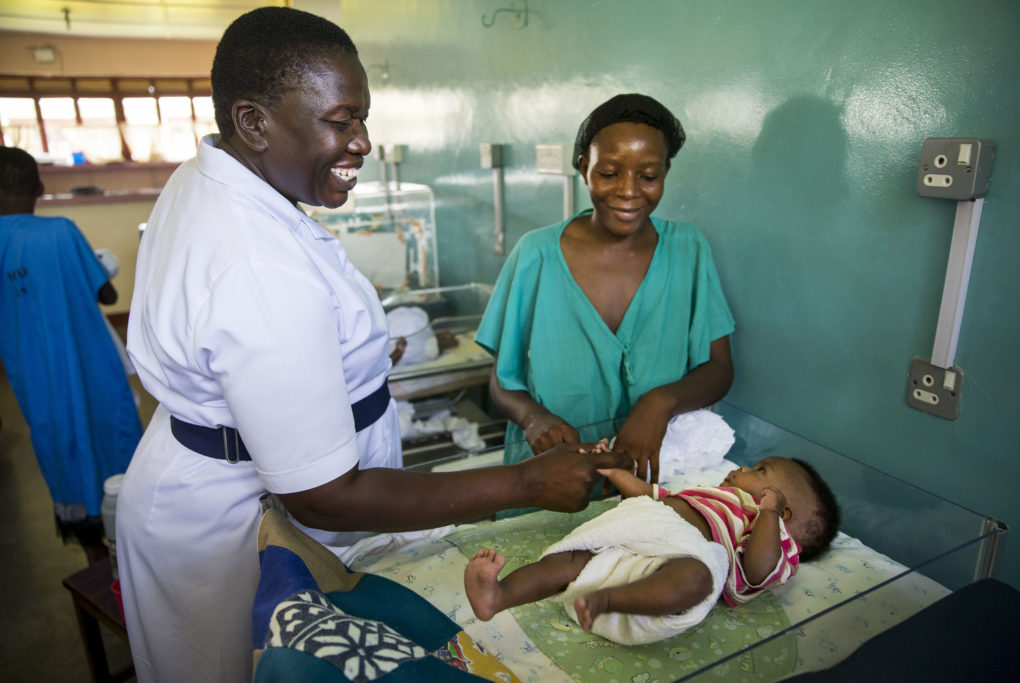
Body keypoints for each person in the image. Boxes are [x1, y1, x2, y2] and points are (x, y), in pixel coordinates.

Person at [117, 7, 632, 682]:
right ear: (253, 122)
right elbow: (323, 495)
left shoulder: (224, 177)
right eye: (341, 120)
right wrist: (525, 480)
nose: (362, 141)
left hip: (216, 478)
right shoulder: (256, 262)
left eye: (362, 117)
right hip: (232, 524)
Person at [476, 93, 736, 494]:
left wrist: (659, 403)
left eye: (648, 176)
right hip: (551, 480)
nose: (629, 192)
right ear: (584, 168)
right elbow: (503, 379)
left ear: (665, 171)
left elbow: (719, 368)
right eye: (609, 173)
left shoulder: (689, 250)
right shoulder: (537, 254)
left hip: (651, 482)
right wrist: (533, 419)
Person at [464, 450, 841, 645]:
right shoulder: (715, 492)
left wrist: (767, 516)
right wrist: (616, 475)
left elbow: (757, 571)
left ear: (783, 509)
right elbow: (654, 495)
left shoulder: (772, 537)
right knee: (573, 556)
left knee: (697, 579)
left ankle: (608, 600)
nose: (743, 468)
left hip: (686, 551)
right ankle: (499, 595)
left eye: (760, 471)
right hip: (646, 525)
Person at [0, 146, 142, 564]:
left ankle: (95, 560)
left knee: (59, 443)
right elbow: (107, 293)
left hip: (35, 379)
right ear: (40, 187)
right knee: (113, 436)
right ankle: (133, 546)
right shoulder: (61, 232)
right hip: (91, 367)